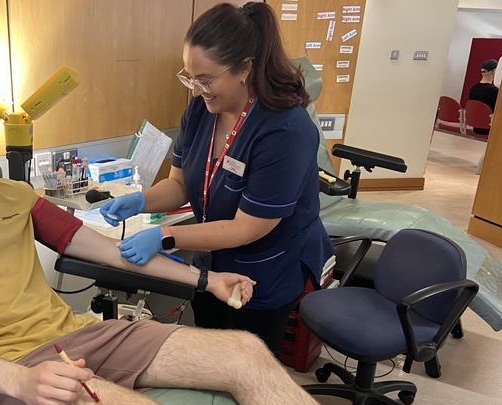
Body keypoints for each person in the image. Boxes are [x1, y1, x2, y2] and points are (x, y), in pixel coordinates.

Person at [0, 55, 362, 405]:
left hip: (80, 338)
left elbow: (106, 251)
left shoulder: (13, 195)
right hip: (9, 372)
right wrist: (17, 381)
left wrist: (207, 282)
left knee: (247, 353)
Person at [100, 2, 333, 358]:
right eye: (190, 77)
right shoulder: (200, 108)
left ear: (244, 68)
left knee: (249, 366)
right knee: (210, 354)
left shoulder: (285, 130)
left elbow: (247, 228)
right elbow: (179, 183)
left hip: (266, 266)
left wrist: (165, 236)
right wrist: (140, 200)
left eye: (206, 79)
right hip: (212, 261)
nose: (195, 89)